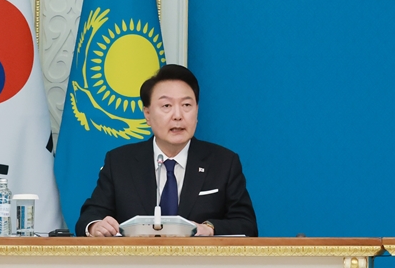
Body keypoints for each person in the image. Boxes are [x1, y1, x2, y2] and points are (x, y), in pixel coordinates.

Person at [75, 64, 258, 237]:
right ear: (147, 114)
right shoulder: (119, 162)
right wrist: (96, 226)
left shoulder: (223, 163)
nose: (178, 116)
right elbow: (90, 216)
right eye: (166, 106)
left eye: (186, 105)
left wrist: (209, 228)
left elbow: (247, 225)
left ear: (197, 111)